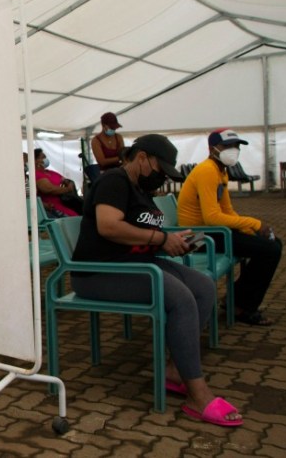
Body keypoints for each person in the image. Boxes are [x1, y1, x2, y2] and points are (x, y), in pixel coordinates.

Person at [71, 134, 242, 427]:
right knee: (181, 299)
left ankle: (176, 370)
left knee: (202, 288)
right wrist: (161, 238)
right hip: (99, 272)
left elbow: (145, 232)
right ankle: (197, 395)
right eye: (160, 169)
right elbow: (109, 226)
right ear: (142, 158)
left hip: (136, 264)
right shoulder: (114, 181)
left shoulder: (141, 190)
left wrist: (176, 240)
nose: (162, 176)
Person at [177, 129, 282, 326]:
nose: (233, 150)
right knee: (270, 250)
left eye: (236, 146)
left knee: (273, 243)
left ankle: (237, 300)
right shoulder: (207, 170)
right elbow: (212, 217)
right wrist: (254, 224)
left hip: (212, 233)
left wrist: (248, 230)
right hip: (196, 238)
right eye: (227, 146)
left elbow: (227, 210)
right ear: (212, 149)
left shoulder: (220, 171)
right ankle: (242, 306)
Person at [34, 148, 83, 217]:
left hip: (64, 204)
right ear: (35, 160)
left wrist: (68, 183)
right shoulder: (36, 174)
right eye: (43, 157)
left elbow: (68, 181)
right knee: (73, 219)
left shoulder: (51, 172)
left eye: (45, 157)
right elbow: (49, 189)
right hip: (52, 206)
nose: (45, 159)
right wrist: (67, 189)